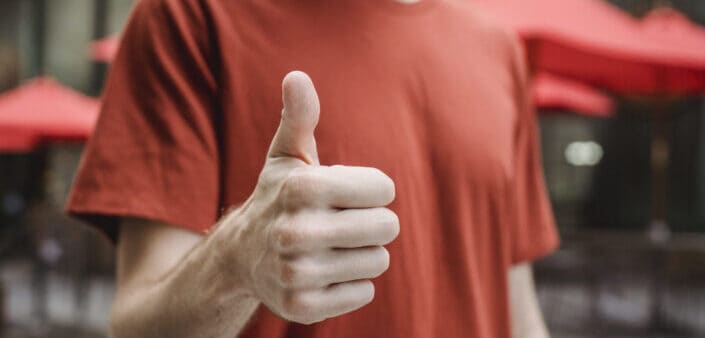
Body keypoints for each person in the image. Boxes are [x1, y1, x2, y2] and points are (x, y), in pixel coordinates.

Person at [67, 0, 559, 337]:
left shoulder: (498, 48)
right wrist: (237, 262)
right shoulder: (190, 15)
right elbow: (133, 327)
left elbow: (518, 313)